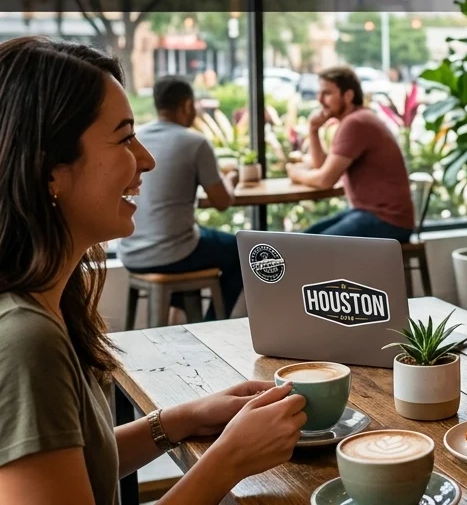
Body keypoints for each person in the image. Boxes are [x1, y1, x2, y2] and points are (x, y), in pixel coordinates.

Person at [0, 37, 306, 505]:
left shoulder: (46, 305)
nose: (146, 159)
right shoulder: (26, 340)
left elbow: (76, 466)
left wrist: (180, 420)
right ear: (51, 171)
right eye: (124, 138)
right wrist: (229, 460)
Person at [118, 76, 244, 321]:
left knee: (195, 238)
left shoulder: (138, 139)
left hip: (131, 253)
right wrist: (232, 179)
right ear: (187, 105)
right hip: (173, 253)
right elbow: (222, 202)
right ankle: (211, 325)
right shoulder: (195, 142)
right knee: (242, 250)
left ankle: (188, 318)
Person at [287, 66, 415, 242]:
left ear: (348, 96)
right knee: (300, 241)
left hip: (388, 221)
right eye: (319, 93)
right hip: (372, 214)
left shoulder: (355, 123)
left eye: (327, 94)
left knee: (308, 247)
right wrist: (313, 129)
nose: (320, 100)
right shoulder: (357, 119)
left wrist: (297, 174)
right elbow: (322, 167)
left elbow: (325, 180)